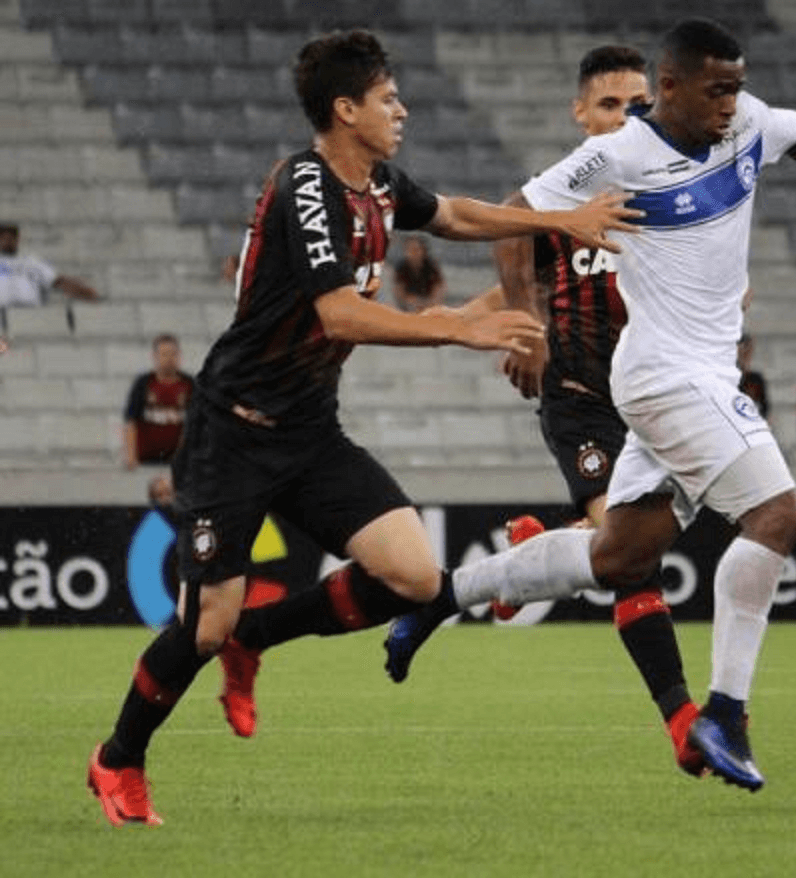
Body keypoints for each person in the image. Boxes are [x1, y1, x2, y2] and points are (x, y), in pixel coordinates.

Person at [85, 30, 638, 828]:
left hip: (309, 430)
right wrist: (454, 326)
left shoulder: (377, 182)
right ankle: (119, 758)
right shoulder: (306, 188)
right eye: (388, 99)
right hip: (233, 432)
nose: (401, 110)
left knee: (413, 578)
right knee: (203, 626)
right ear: (346, 110)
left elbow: (451, 214)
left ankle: (256, 638)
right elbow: (340, 314)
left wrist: (560, 219)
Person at [376, 18, 796, 793]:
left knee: (618, 557)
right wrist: (524, 321)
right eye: (716, 90)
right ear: (670, 87)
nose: (732, 103)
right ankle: (724, 714)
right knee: (778, 515)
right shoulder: (621, 153)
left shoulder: (746, 120)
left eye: (737, 87)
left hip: (693, 374)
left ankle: (443, 596)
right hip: (667, 377)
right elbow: (516, 212)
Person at [382, 45, 708, 777]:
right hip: (580, 397)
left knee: (620, 548)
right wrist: (503, 325)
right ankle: (684, 722)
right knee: (633, 560)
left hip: (650, 404)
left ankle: (526, 559)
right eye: (609, 104)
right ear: (580, 113)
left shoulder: (665, 191)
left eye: (637, 105)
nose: (624, 117)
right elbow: (517, 248)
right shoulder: (564, 194)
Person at [121, 334, 195, 469]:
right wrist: (130, 456)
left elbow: (198, 424)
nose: (169, 359)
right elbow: (131, 421)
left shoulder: (190, 384)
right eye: (164, 354)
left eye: (173, 354)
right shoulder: (143, 384)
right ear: (155, 356)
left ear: (179, 356)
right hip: (146, 461)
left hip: (179, 463)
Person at [0, 221, 99, 306]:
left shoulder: (30, 261)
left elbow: (57, 281)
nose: (7, 240)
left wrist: (86, 293)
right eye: (3, 237)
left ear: (17, 239)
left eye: (11, 236)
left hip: (29, 314)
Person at [392, 235, 446, 313]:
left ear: (424, 251)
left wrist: (428, 304)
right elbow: (399, 293)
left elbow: (439, 290)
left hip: (429, 305)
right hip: (409, 307)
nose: (413, 253)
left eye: (416, 250)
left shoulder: (432, 267)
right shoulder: (401, 269)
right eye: (409, 250)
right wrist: (412, 302)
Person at [737, 332, 770, 417]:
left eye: (747, 350)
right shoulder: (727, 379)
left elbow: (764, 410)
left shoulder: (755, 380)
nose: (745, 354)